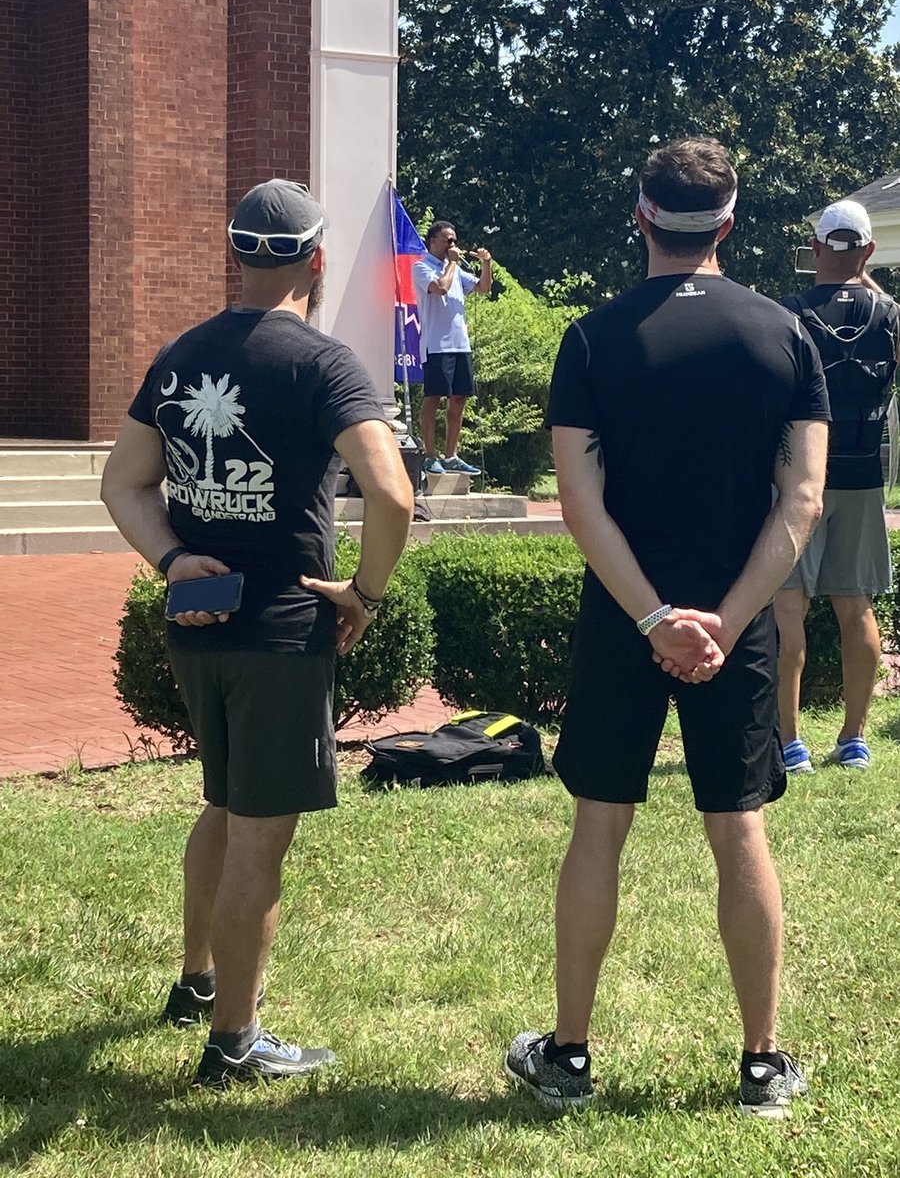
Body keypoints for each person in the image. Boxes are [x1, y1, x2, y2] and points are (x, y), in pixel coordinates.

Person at [504, 138, 829, 1118]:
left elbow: (578, 500)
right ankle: (763, 1068)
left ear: (639, 217)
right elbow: (803, 499)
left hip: (621, 619)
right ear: (729, 224)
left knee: (598, 827)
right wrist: (722, 623)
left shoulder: (594, 340)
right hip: (735, 625)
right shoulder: (786, 335)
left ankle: (566, 1057)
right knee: (740, 831)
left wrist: (651, 617)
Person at [101, 179, 414, 1088]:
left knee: (226, 802)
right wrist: (367, 592)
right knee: (259, 836)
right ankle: (234, 1042)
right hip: (282, 631)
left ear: (235, 257)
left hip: (196, 622)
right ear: (317, 260)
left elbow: (125, 480)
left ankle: (198, 983)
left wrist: (169, 558)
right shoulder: (324, 365)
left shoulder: (180, 355)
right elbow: (391, 493)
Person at [775, 200, 899, 774]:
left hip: (799, 477)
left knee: (788, 609)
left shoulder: (789, 313)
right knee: (857, 608)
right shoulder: (891, 315)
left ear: (816, 249)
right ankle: (853, 739)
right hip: (862, 475)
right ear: (869, 251)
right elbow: (863, 291)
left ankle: (789, 742)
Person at [411, 220, 492, 475]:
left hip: (460, 345)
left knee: (458, 399)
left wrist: (486, 263)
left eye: (455, 240)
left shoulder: (454, 269)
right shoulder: (422, 267)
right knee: (433, 399)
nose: (453, 245)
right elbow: (441, 288)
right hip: (436, 345)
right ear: (434, 241)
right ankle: (430, 455)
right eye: (448, 240)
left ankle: (451, 455)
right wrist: (453, 263)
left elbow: (483, 288)